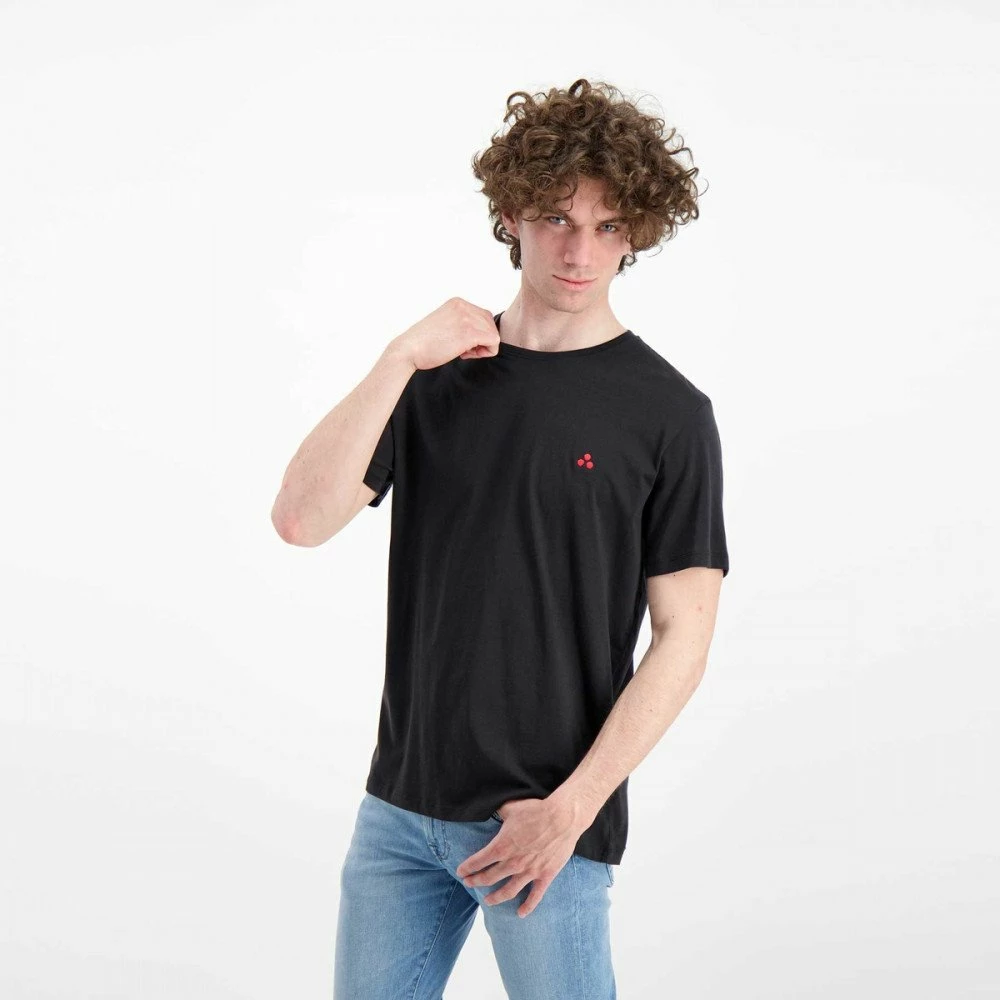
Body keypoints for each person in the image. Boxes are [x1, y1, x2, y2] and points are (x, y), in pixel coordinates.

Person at [271, 77, 730, 1000]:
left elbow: (684, 637)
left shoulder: (669, 414)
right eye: (557, 218)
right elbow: (301, 519)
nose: (579, 250)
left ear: (637, 233)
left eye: (607, 225)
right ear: (512, 214)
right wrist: (399, 357)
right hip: (398, 814)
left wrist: (571, 811)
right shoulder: (436, 376)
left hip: (542, 828)